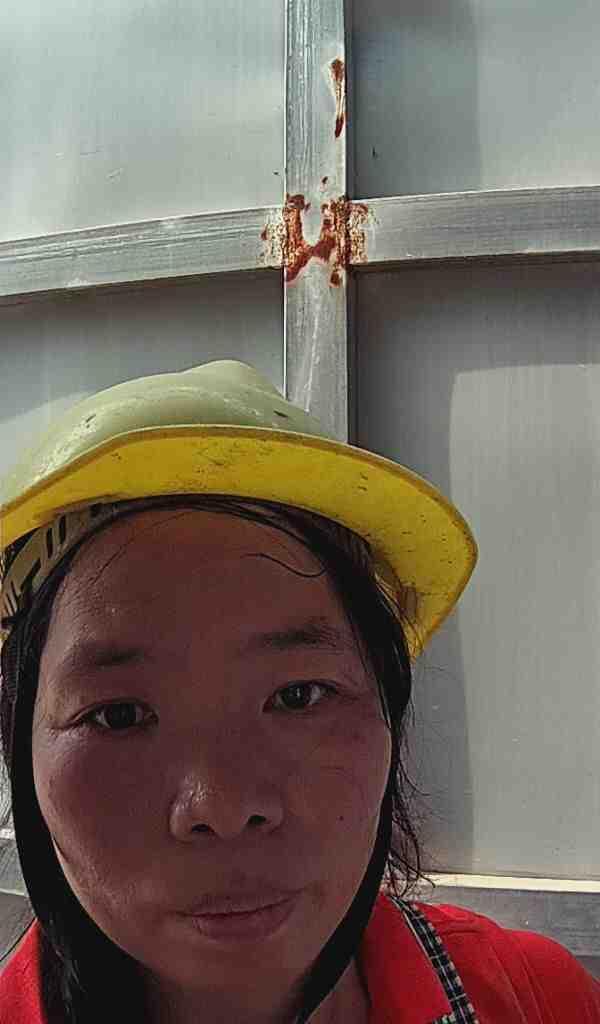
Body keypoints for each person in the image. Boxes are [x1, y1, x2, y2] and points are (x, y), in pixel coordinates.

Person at [0, 359, 598, 1024]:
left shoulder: (538, 1000)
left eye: (297, 696)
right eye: (119, 714)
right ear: (22, 746)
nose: (224, 806)